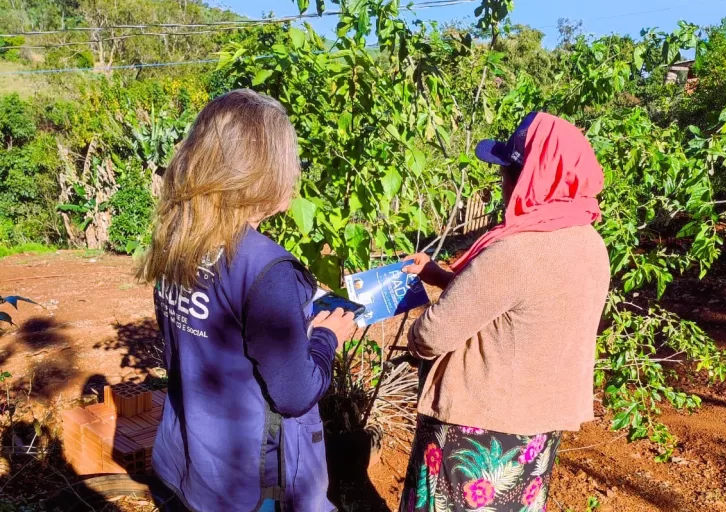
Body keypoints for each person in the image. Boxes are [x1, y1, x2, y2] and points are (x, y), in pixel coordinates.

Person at [137, 89, 356, 512]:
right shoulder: (266, 266)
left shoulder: (177, 242)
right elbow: (294, 393)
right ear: (259, 172)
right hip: (245, 486)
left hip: (182, 463)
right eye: (288, 160)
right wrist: (327, 336)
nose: (294, 172)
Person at [400, 112, 610, 511]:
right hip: (534, 432)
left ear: (527, 178)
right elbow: (527, 305)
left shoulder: (514, 252)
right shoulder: (589, 242)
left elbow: (432, 336)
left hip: (477, 433)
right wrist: (441, 276)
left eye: (507, 173)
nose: (502, 183)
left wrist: (415, 334)